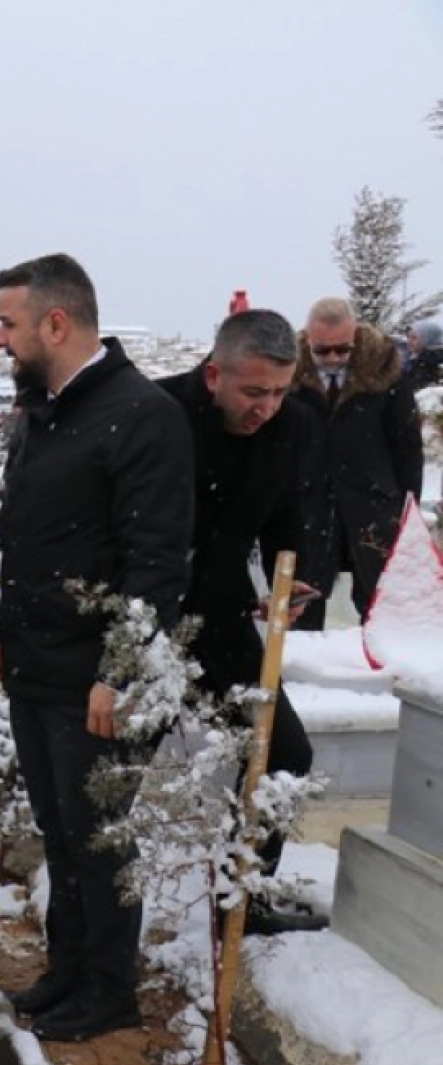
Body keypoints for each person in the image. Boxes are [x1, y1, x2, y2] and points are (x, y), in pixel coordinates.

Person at [0, 253, 193, 1042]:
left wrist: (122, 672)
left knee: (100, 840)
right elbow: (34, 537)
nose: (0, 338)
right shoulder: (48, 409)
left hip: (96, 683)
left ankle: (109, 988)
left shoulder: (141, 415)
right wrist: (8, 633)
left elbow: (156, 558)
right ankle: (70, 969)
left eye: (9, 322)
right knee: (63, 831)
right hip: (42, 667)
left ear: (56, 322)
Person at [157, 310, 326, 935]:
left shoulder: (295, 426)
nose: (268, 407)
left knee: (283, 753)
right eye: (253, 392)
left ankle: (242, 902)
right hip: (145, 623)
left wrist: (292, 576)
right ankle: (95, 937)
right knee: (115, 774)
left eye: (280, 392)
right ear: (212, 376)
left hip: (223, 620)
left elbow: (285, 509)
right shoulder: (159, 413)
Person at [290, 298, 423, 622]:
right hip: (306, 503)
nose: (333, 358)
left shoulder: (384, 374)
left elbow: (406, 446)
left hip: (373, 504)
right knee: (302, 598)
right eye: (322, 351)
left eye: (342, 349)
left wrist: (407, 508)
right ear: (308, 340)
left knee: (381, 602)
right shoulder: (289, 376)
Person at [405, 317, 443, 391]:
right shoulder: (418, 358)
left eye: (414, 338)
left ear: (427, 339)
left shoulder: (427, 361)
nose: (409, 341)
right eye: (408, 337)